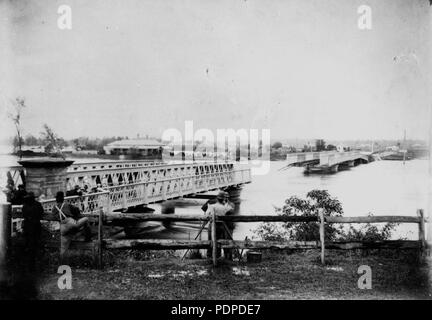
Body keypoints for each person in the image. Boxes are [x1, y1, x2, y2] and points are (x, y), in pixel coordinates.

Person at [51, 191, 92, 258]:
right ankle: (88, 238)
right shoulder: (67, 205)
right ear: (63, 198)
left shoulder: (54, 208)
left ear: (56, 199)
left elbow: (55, 216)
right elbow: (77, 211)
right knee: (86, 219)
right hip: (71, 223)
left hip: (63, 227)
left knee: (63, 249)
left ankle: (62, 262)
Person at [205, 190, 234, 260]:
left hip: (212, 226)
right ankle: (218, 256)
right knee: (220, 241)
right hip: (221, 226)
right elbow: (231, 209)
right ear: (223, 199)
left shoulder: (212, 206)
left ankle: (210, 256)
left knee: (210, 240)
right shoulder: (225, 208)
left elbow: (207, 215)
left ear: (217, 199)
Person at [21, 192, 43, 272]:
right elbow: (41, 214)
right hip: (35, 227)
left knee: (28, 246)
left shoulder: (25, 205)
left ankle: (29, 265)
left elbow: (24, 215)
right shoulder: (38, 204)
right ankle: (34, 265)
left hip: (28, 227)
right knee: (35, 246)